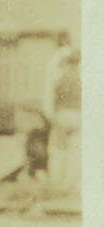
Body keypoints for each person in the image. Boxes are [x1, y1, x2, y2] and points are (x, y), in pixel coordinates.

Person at [45, 31, 82, 193]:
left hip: (62, 115)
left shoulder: (60, 74)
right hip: (77, 116)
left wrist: (51, 116)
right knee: (74, 151)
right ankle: (71, 184)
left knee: (57, 150)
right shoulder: (81, 76)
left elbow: (50, 97)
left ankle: (56, 184)